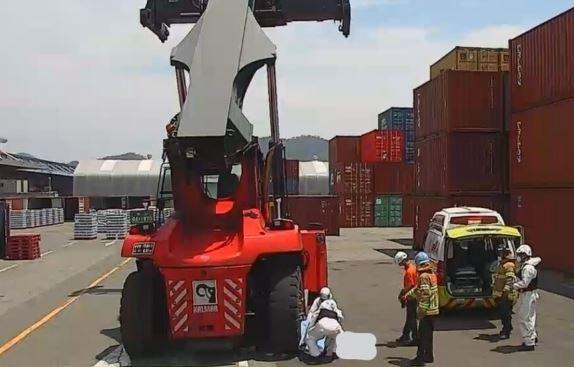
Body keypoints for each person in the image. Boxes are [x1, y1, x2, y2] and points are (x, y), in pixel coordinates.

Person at [403, 252, 439, 366]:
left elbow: (424, 294)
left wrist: (421, 311)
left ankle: (420, 358)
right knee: (428, 335)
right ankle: (429, 355)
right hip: (433, 309)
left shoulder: (423, 277)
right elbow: (417, 289)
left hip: (427, 311)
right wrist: (407, 295)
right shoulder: (431, 274)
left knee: (422, 335)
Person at [513, 244, 541, 351]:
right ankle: (532, 337)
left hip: (528, 295)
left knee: (524, 318)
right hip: (529, 294)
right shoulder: (526, 266)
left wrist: (514, 285)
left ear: (525, 255)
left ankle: (529, 343)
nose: (518, 256)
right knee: (529, 317)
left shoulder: (528, 268)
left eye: (520, 254)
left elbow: (525, 283)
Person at [492, 248, 518, 340]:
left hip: (506, 295)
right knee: (504, 313)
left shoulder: (508, 265)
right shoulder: (503, 264)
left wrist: (505, 291)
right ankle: (508, 328)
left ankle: (506, 331)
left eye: (501, 253)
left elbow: (510, 280)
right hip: (502, 294)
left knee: (505, 314)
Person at [394, 251, 418, 345]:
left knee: (412, 318)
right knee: (409, 318)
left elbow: (410, 285)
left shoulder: (409, 271)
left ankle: (415, 338)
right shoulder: (412, 268)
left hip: (412, 296)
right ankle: (405, 335)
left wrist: (402, 294)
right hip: (412, 295)